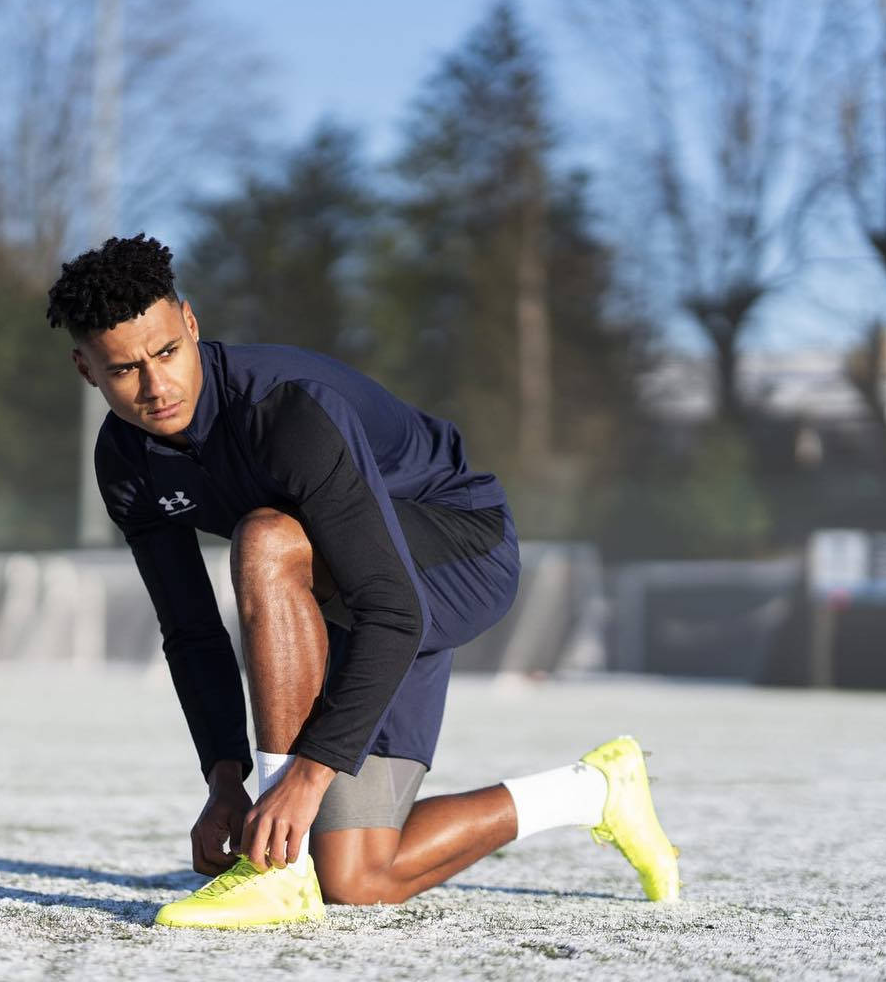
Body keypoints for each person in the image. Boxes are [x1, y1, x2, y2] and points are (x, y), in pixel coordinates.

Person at [47, 234, 679, 929]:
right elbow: (192, 630)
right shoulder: (125, 462)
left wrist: (306, 777)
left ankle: (277, 874)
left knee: (267, 535)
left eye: (166, 351)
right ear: (87, 370)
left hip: (456, 556)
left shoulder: (284, 412)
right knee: (357, 873)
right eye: (124, 369)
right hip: (351, 596)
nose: (156, 384)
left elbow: (395, 606)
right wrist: (224, 777)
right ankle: (595, 790)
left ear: (191, 323)